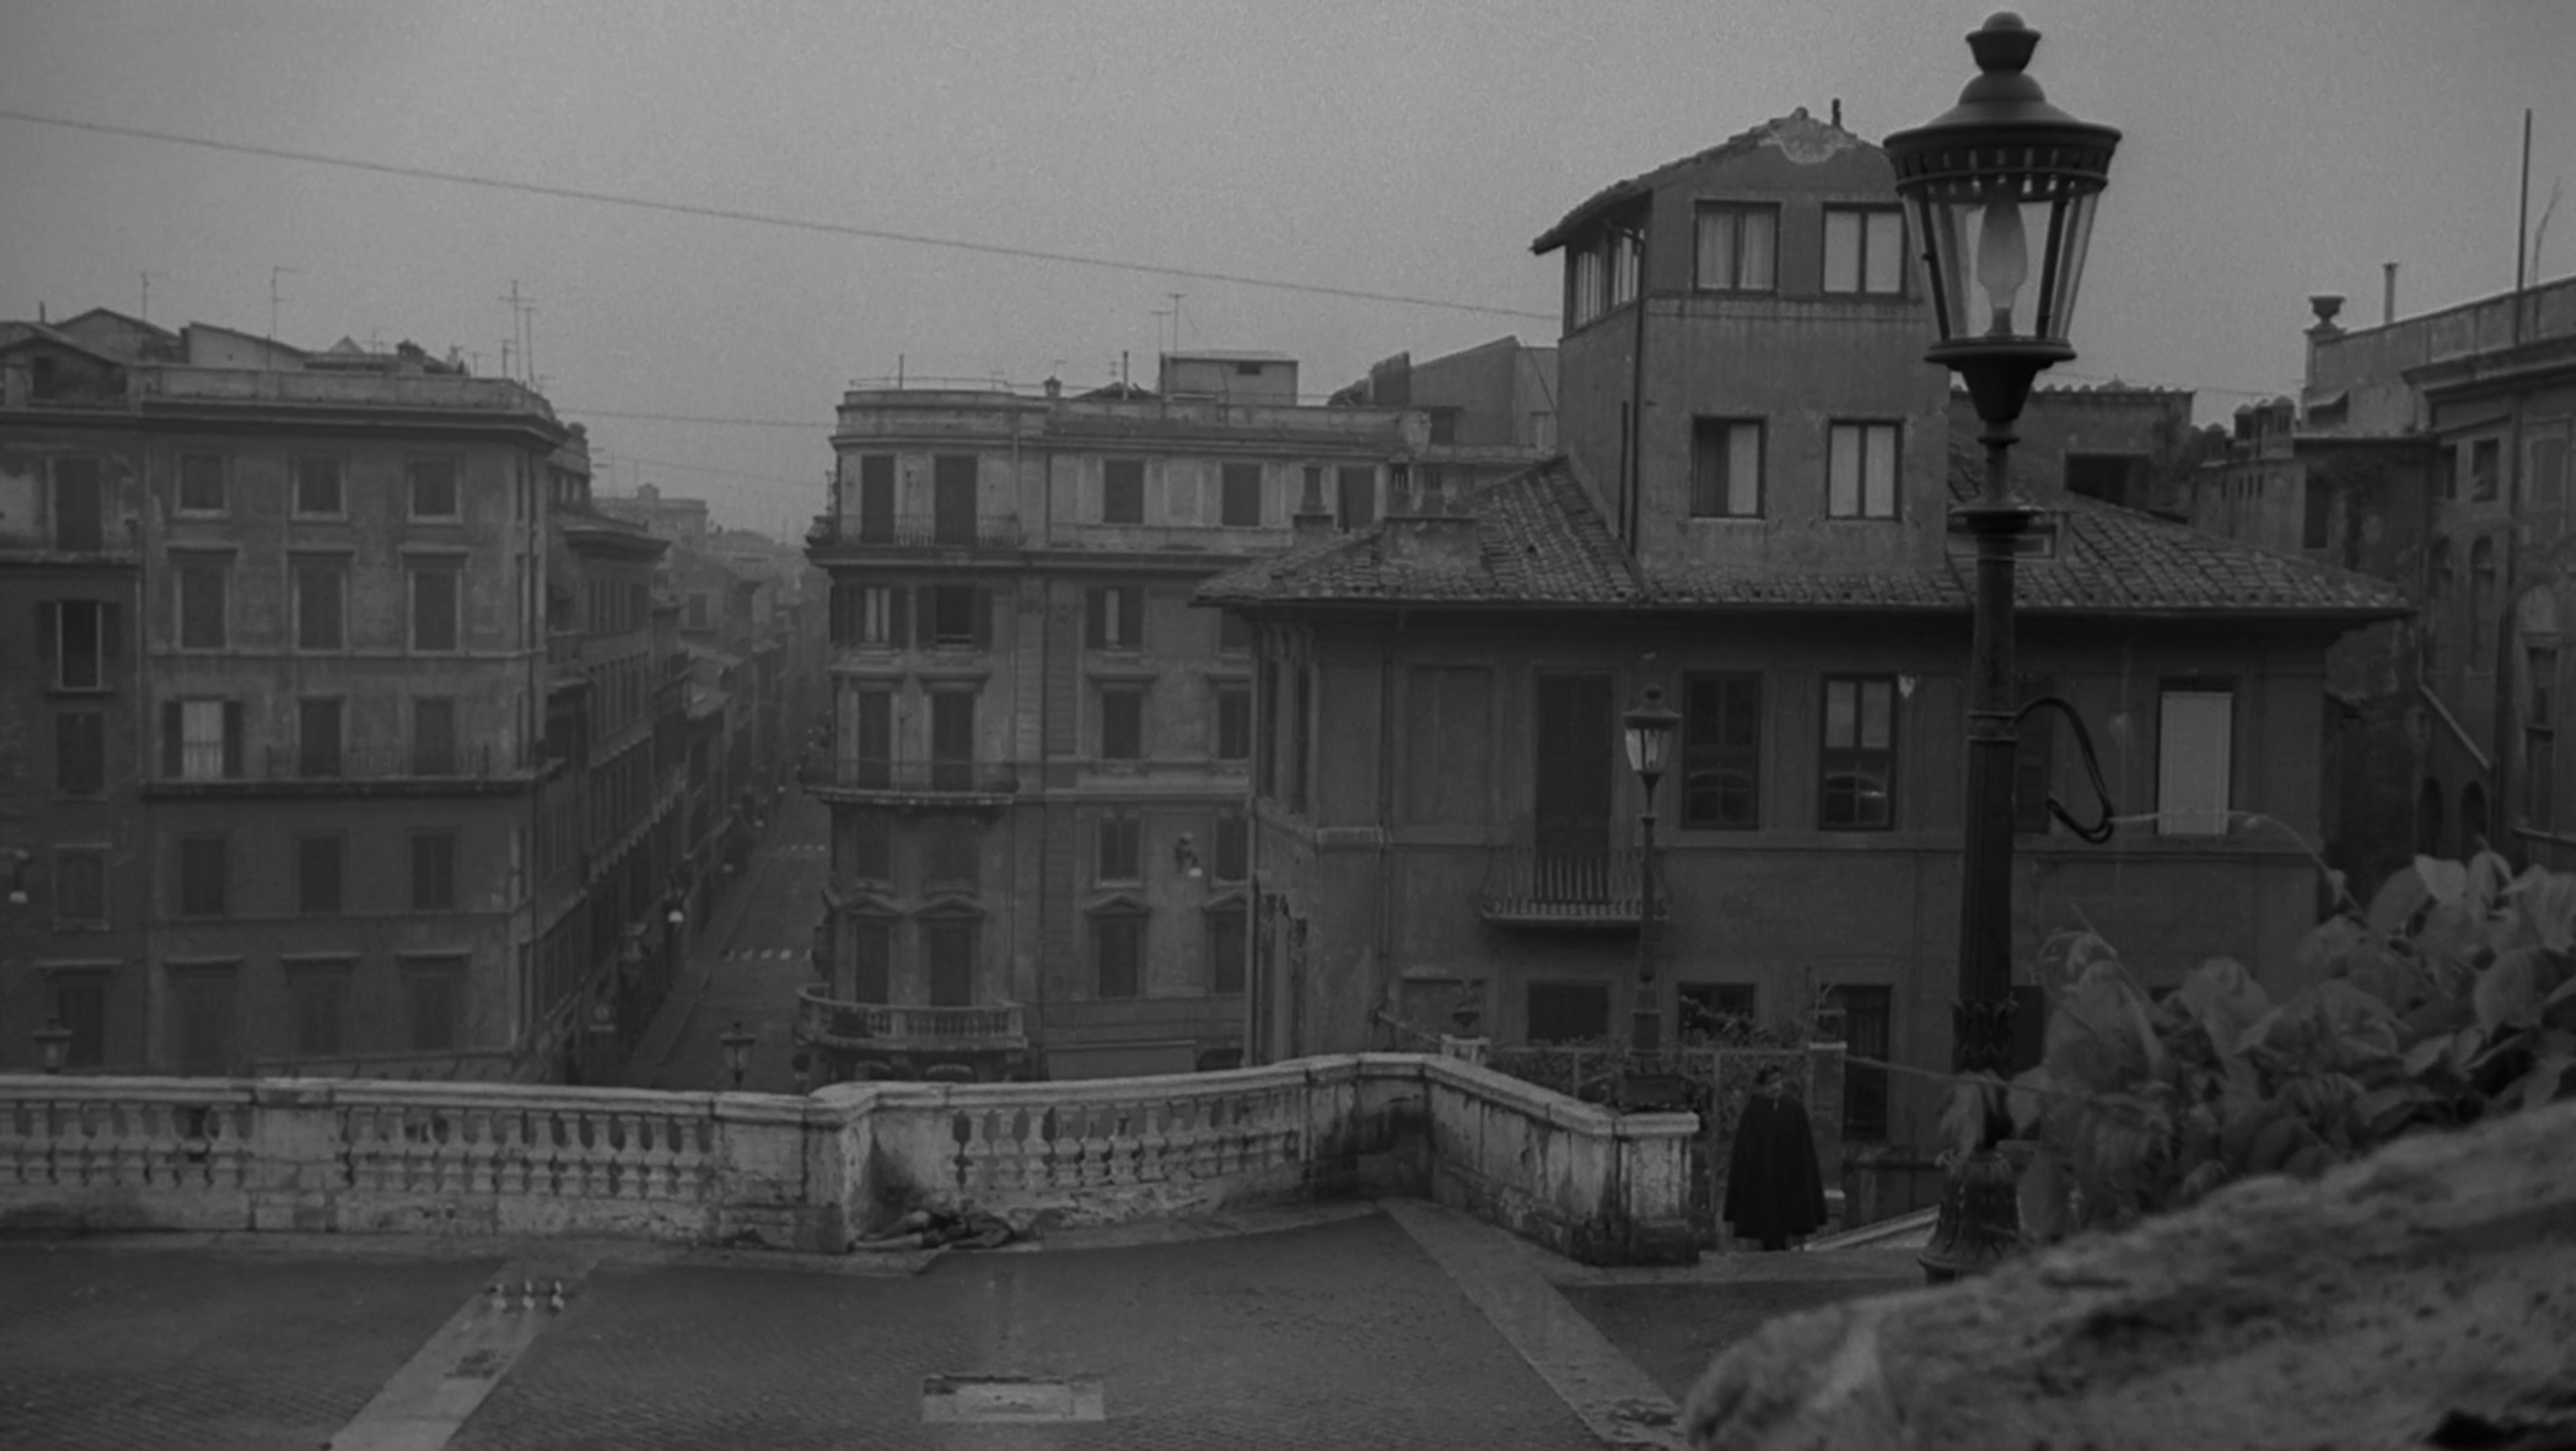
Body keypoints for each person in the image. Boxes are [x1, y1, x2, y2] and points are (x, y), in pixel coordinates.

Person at [1723, 1065, 1829, 1252]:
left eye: (1777, 1081)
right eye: (1770, 1083)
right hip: (1763, 1181)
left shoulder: (1794, 1110)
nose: (1775, 1087)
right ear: (1762, 1086)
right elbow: (1745, 1154)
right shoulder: (1753, 1112)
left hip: (1790, 1179)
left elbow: (1804, 1152)